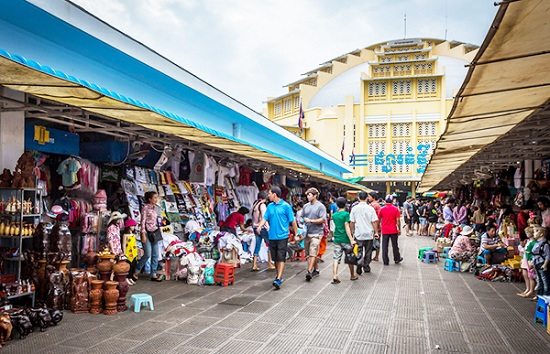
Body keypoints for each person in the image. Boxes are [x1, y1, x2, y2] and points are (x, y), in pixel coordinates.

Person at [256, 186, 297, 290]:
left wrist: (296, 234)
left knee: (281, 257)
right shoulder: (269, 206)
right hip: (272, 236)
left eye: (269, 193)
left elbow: (293, 221)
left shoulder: (286, 206)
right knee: (275, 259)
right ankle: (278, 276)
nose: (268, 195)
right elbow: (265, 218)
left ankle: (278, 278)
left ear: (274, 194)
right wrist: (260, 226)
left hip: (283, 236)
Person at [301, 187, 327, 281]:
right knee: (309, 254)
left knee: (313, 252)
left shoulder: (320, 206)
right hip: (307, 232)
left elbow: (323, 219)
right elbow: (302, 216)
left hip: (317, 233)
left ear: (315, 195)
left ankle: (309, 271)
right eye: (307, 195)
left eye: (309, 195)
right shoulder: (305, 206)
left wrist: (311, 221)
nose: (307, 196)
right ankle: (316, 269)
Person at [350, 191, 379, 274]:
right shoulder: (370, 208)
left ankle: (359, 263)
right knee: (368, 251)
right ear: (367, 198)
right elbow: (374, 221)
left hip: (359, 233)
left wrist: (352, 232)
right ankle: (366, 266)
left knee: (358, 250)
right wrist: (376, 232)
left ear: (358, 198)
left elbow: (352, 221)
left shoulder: (354, 208)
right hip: (369, 233)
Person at [137, 191, 163, 282]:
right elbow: (143, 221)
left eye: (157, 197)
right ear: (149, 199)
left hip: (155, 232)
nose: (156, 199)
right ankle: (137, 270)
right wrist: (143, 234)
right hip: (147, 232)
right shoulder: (145, 208)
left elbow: (159, 219)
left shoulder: (157, 208)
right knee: (147, 254)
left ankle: (153, 273)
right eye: (154, 198)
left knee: (155, 254)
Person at [331, 197, 358, 284]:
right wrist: (351, 239)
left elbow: (333, 227)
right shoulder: (346, 214)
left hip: (337, 239)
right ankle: (352, 275)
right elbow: (347, 227)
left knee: (336, 258)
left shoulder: (334, 215)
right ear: (345, 204)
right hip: (345, 239)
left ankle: (335, 275)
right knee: (350, 257)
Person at [251, 192, 274, 272]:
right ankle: (270, 263)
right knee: (270, 244)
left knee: (257, 245)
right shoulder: (262, 205)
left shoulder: (255, 204)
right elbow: (264, 218)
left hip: (255, 227)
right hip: (262, 228)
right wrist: (268, 228)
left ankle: (254, 264)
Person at [378, 195, 403, 265]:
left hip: (385, 230)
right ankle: (397, 258)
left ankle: (385, 261)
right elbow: (398, 221)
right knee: (395, 245)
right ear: (392, 201)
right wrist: (399, 229)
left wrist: (378, 228)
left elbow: (379, 219)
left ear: (385, 201)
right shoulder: (395, 209)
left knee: (384, 246)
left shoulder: (382, 209)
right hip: (393, 230)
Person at [122, 218, 139, 285]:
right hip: (128, 253)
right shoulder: (125, 235)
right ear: (129, 227)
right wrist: (124, 252)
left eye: (134, 226)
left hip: (134, 252)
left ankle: (131, 277)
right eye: (132, 226)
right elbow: (124, 244)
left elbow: (135, 243)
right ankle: (127, 278)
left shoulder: (133, 235)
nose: (133, 227)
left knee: (133, 265)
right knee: (129, 266)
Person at [367, 192, 382, 262]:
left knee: (370, 242)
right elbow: (379, 217)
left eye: (369, 196)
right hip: (377, 226)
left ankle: (370, 256)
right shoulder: (378, 206)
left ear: (373, 197)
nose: (368, 198)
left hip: (371, 226)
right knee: (377, 241)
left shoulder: (371, 205)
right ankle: (376, 256)